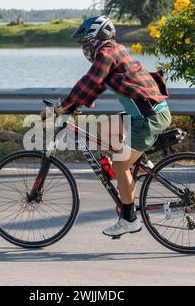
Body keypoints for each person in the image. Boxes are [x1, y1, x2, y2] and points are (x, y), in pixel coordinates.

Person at [41, 16, 171, 237]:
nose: (84, 48)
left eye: (85, 42)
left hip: (148, 118)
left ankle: (129, 219)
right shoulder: (115, 50)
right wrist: (77, 104)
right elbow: (98, 85)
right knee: (105, 127)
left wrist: (63, 107)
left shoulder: (106, 54)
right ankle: (136, 165)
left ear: (96, 38)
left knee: (120, 165)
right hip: (149, 112)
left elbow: (90, 81)